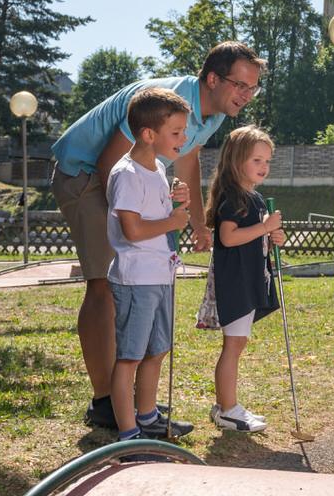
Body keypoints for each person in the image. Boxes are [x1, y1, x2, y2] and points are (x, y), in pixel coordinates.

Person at [51, 41, 265, 429]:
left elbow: (187, 160)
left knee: (131, 287)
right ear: (213, 79)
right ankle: (105, 401)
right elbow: (112, 163)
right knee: (106, 283)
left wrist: (198, 222)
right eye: (240, 85)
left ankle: (136, 404)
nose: (247, 96)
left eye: (253, 88)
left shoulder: (213, 114)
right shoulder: (167, 101)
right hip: (85, 173)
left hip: (126, 179)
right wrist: (134, 227)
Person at [105, 88, 194, 439]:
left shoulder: (157, 167)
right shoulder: (126, 174)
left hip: (160, 275)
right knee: (130, 357)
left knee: (157, 350)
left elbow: (157, 215)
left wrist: (176, 202)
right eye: (176, 132)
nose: (184, 138)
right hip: (135, 280)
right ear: (148, 134)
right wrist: (172, 221)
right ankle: (128, 434)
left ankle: (147, 416)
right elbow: (132, 231)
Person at [202, 125, 285, 432]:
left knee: (238, 342)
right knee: (234, 344)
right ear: (237, 161)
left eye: (267, 161)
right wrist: (264, 228)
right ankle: (227, 409)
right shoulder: (233, 199)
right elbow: (228, 237)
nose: (264, 167)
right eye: (256, 160)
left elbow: (255, 238)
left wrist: (273, 237)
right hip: (235, 281)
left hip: (249, 279)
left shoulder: (255, 198)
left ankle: (226, 405)